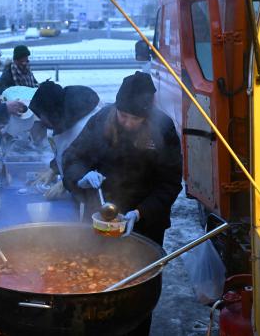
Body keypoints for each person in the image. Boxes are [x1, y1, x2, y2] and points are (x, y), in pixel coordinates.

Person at [62, 72, 182, 335]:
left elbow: (170, 183)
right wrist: (81, 176)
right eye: (123, 115)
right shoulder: (102, 119)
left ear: (147, 115)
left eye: (135, 118)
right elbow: (72, 157)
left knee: (137, 292)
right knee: (95, 281)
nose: (127, 122)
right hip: (100, 216)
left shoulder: (163, 128)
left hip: (144, 222)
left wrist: (139, 214)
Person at [29, 81, 100, 200]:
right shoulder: (64, 118)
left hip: (94, 195)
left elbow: (94, 162)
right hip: (75, 188)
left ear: (51, 112)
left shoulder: (86, 124)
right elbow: (66, 151)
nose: (41, 120)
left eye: (42, 116)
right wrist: (54, 169)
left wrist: (65, 183)